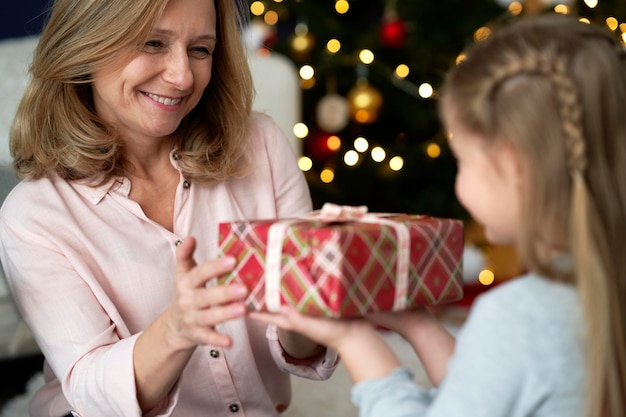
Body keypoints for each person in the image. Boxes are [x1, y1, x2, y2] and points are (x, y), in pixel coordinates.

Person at [251, 13, 626, 417]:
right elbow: (487, 394)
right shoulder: (593, 295)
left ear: (512, 166)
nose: (459, 182)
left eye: (462, 160)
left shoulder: (513, 318)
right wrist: (418, 325)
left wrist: (355, 341)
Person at [0, 0, 338, 415]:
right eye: (153, 42)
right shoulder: (34, 216)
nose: (181, 77)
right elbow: (89, 392)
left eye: (200, 50)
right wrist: (176, 329)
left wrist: (303, 310)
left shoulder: (261, 145)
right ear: (85, 45)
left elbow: (306, 347)